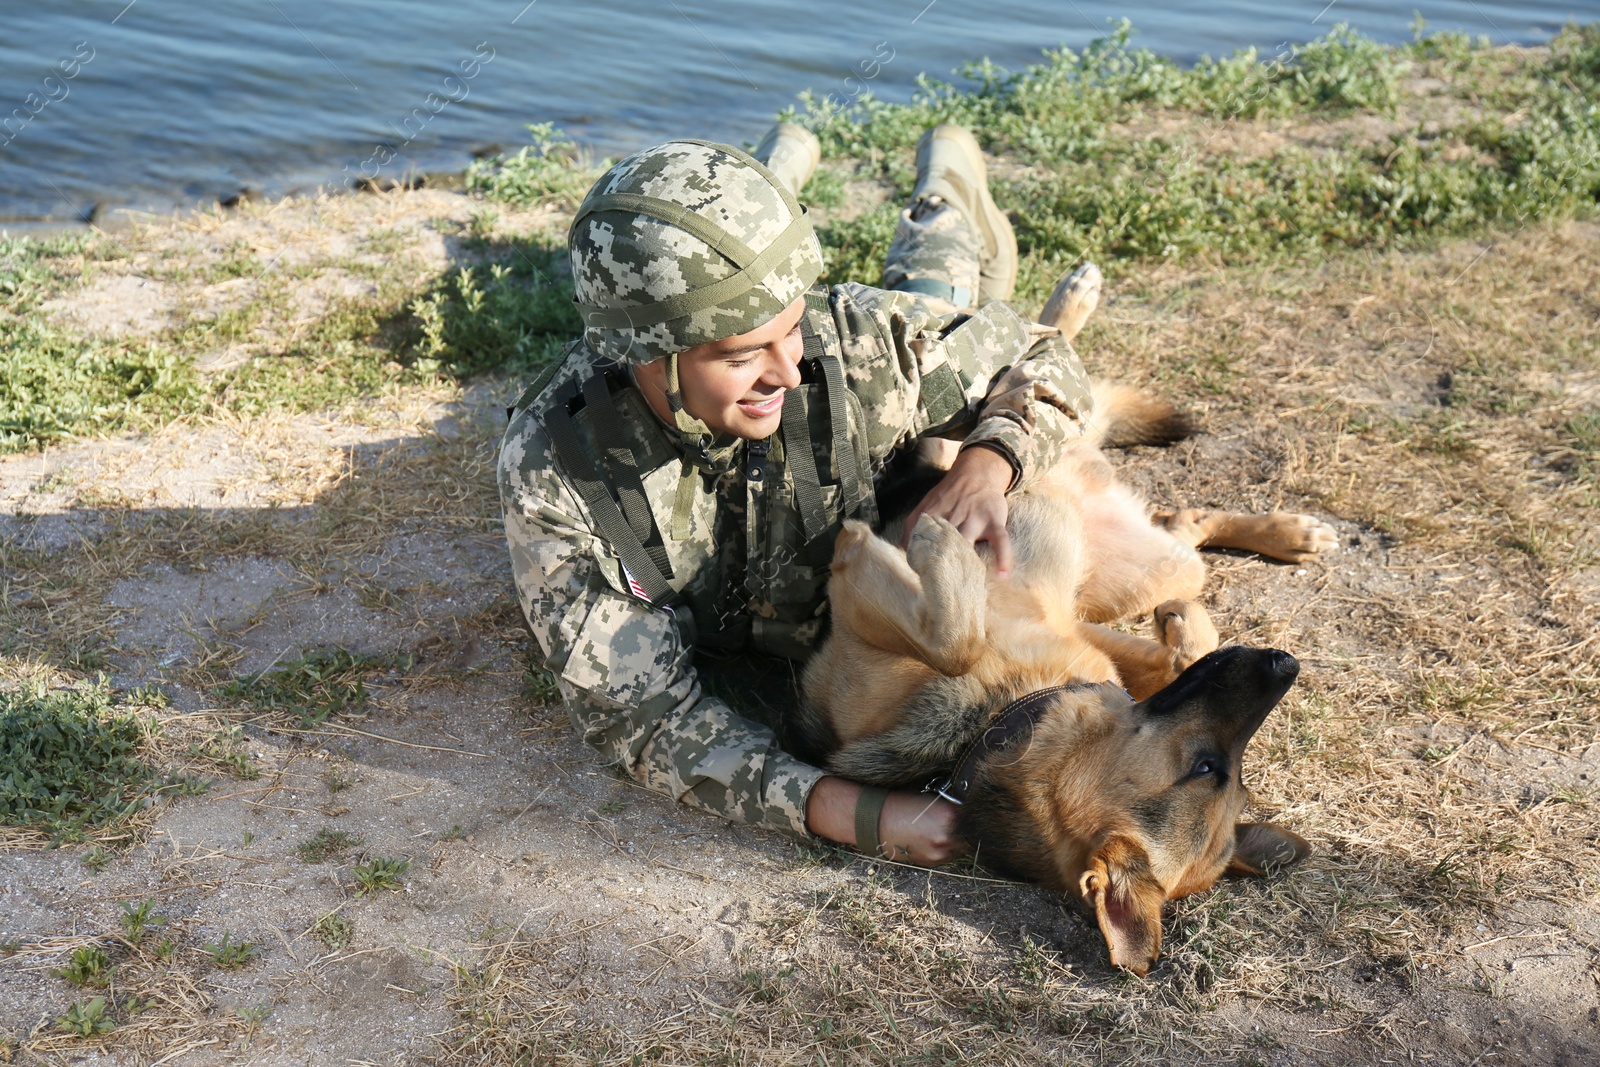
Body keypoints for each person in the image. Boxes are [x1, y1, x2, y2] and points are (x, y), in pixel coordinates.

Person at [497, 122, 1094, 865]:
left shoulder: (846, 342)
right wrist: (863, 812)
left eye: (788, 329)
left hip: (889, 498)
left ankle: (947, 179)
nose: (787, 370)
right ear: (647, 357)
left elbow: (1042, 356)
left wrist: (990, 459)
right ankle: (788, 154)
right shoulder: (562, 470)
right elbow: (646, 723)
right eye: (743, 353)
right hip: (857, 612)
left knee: (935, 276)